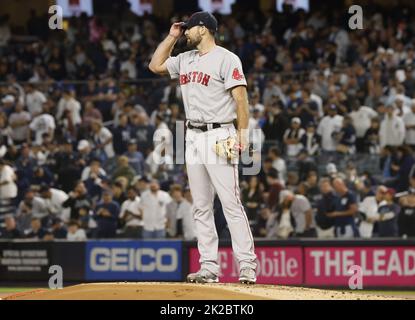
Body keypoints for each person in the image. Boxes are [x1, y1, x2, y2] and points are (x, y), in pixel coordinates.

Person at [149, 11, 257, 283]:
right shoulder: (185, 59)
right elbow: (155, 65)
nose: (185, 32)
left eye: (188, 29)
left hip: (220, 133)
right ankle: (209, 267)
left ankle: (246, 265)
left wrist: (242, 135)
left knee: (231, 203)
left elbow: (241, 100)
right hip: (193, 135)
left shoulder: (226, 58)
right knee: (200, 206)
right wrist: (171, 37)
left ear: (204, 29)